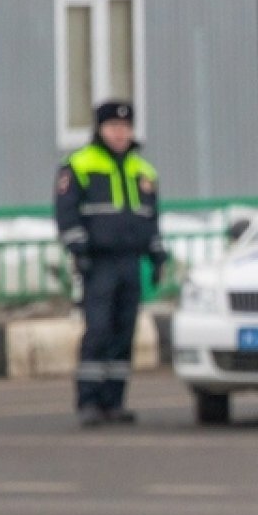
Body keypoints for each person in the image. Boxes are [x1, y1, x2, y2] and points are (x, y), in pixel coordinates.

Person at [55, 101, 166, 427]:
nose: (120, 133)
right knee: (99, 330)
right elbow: (67, 212)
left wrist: (157, 255)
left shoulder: (143, 171)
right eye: (113, 127)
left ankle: (114, 402)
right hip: (99, 263)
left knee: (123, 332)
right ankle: (88, 401)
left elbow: (151, 220)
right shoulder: (79, 164)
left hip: (130, 262)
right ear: (100, 129)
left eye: (125, 127)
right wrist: (78, 249)